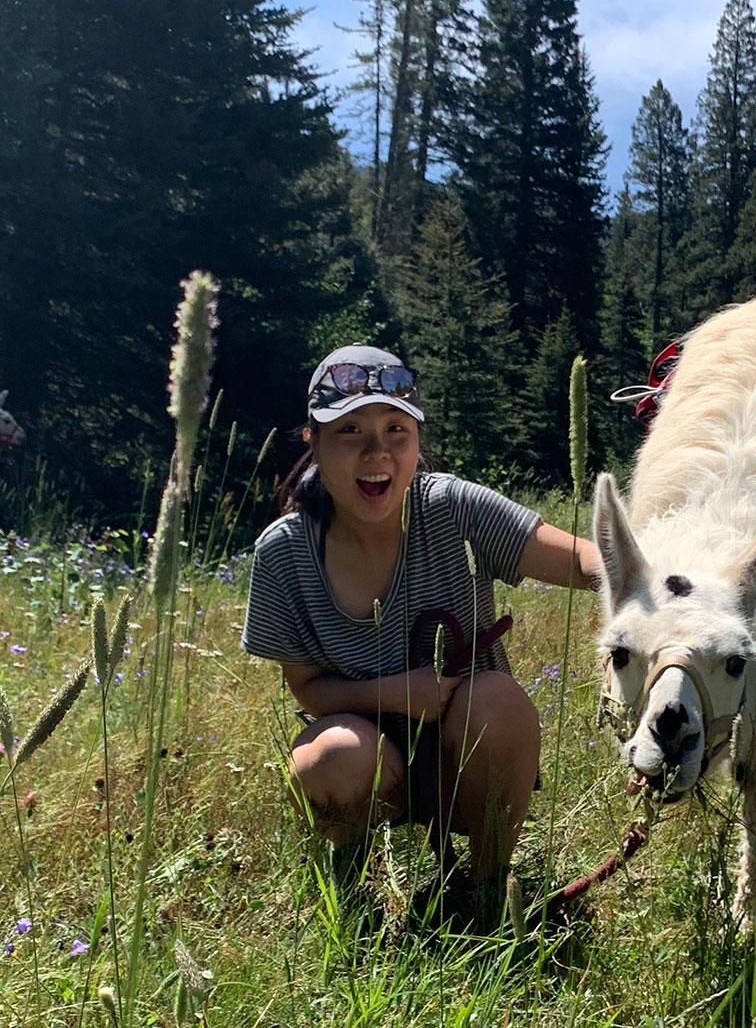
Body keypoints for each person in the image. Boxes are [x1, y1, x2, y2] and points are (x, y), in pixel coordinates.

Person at [241, 344, 600, 920]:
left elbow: (580, 560)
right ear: (314, 442)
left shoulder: (452, 507)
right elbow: (307, 688)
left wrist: (660, 578)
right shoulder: (285, 552)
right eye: (350, 430)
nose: (376, 452)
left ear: (416, 441)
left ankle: (485, 893)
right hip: (367, 756)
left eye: (395, 430)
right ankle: (351, 893)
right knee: (331, 757)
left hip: (465, 748)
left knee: (499, 700)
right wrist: (394, 693)